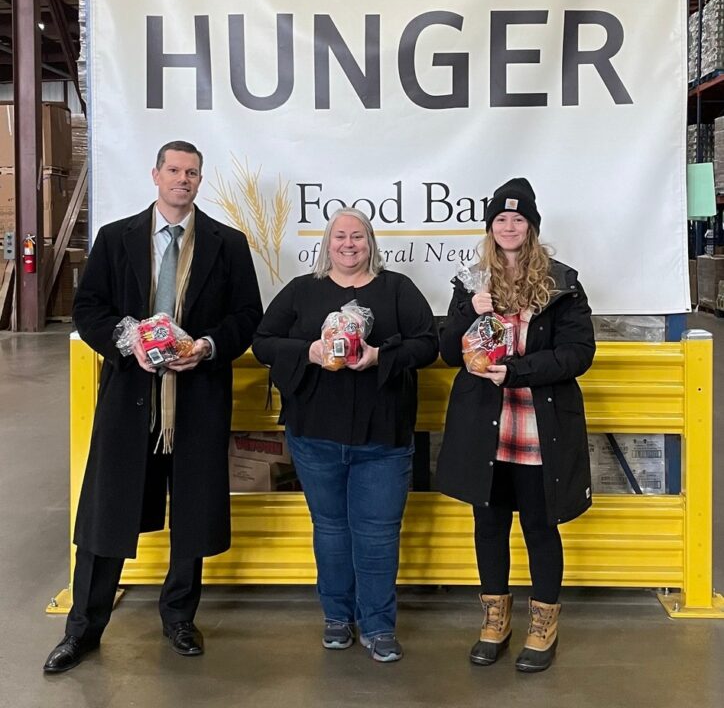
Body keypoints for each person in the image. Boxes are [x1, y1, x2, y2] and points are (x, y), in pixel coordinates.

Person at [43, 141, 263, 674]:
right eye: (173, 170)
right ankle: (83, 630)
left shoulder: (227, 243)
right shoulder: (116, 238)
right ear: (155, 175)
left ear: (199, 180)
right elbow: (89, 307)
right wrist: (126, 339)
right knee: (105, 515)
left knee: (190, 512)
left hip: (196, 400)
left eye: (191, 172)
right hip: (130, 400)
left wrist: (207, 347)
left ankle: (179, 618)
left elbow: (247, 316)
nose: (182, 179)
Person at [252, 207, 438, 663]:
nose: (349, 244)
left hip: (384, 438)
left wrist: (379, 356)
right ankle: (337, 616)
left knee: (377, 534)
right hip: (314, 434)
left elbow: (429, 343)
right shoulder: (302, 290)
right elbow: (263, 343)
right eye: (340, 237)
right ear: (327, 244)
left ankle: (377, 624)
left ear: (370, 242)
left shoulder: (397, 289)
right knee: (331, 530)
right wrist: (309, 350)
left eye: (358, 236)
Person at [436, 178, 595, 674]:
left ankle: (543, 624)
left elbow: (578, 353)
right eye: (500, 220)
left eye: (518, 219)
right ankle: (495, 621)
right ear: (490, 228)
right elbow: (447, 353)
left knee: (540, 526)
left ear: (531, 227)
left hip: (538, 425)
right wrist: (468, 311)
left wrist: (519, 371)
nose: (509, 227)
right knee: (489, 525)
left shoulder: (563, 282)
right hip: (486, 425)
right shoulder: (471, 282)